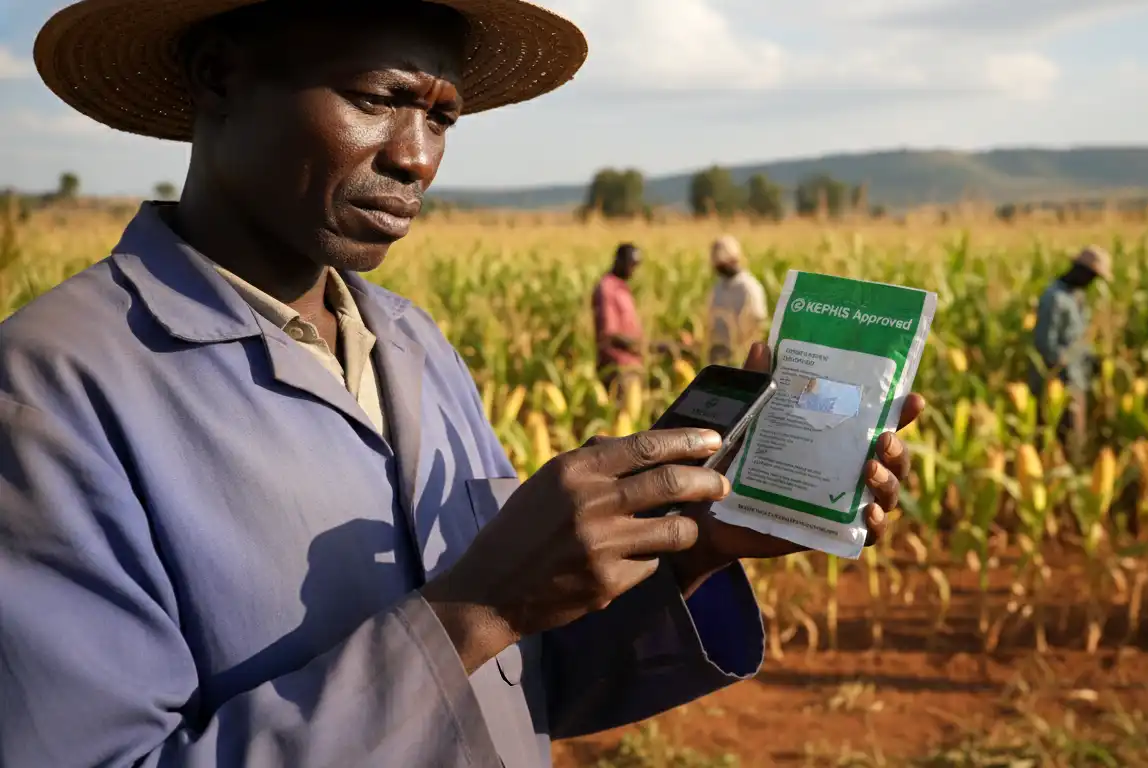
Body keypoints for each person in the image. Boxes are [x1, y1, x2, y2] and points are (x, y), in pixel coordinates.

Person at [0, 1, 926, 766]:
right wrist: (475, 609)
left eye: (441, 116)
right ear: (219, 76)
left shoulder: (414, 345)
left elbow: (523, 685)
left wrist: (691, 546)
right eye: (377, 98)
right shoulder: (49, 392)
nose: (418, 158)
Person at [1030, 245, 1112, 461]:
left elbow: (1077, 339)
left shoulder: (1077, 297)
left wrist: (1093, 360)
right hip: (1059, 386)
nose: (1092, 282)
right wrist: (1063, 368)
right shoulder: (1054, 298)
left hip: (1077, 380)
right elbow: (1046, 345)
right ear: (1079, 270)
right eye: (1092, 276)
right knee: (1063, 442)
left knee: (1076, 439)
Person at [592, 242, 645, 404]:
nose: (633, 270)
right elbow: (609, 333)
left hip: (632, 365)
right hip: (618, 368)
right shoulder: (607, 289)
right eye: (631, 264)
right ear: (619, 261)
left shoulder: (621, 287)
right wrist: (642, 347)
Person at [706, 234, 769, 367]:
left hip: (741, 356)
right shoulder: (718, 287)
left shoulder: (749, 287)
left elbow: (758, 325)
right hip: (717, 353)